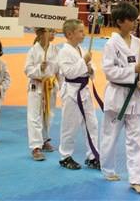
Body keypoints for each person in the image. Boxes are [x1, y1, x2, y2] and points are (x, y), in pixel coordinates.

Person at [99, 2, 140, 195]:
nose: (135, 22)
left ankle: (137, 179)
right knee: (110, 136)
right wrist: (132, 71)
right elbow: (109, 71)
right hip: (117, 96)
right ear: (120, 22)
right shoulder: (111, 44)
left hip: (136, 97)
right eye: (132, 19)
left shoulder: (139, 44)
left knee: (136, 140)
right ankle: (107, 168)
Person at [57, 19, 100, 170]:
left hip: (84, 91)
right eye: (80, 31)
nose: (84, 34)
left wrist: (90, 67)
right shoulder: (63, 52)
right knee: (70, 126)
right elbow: (69, 72)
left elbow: (90, 68)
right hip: (71, 92)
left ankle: (93, 155)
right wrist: (84, 62)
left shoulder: (81, 49)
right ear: (70, 34)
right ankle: (65, 156)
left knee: (92, 124)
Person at [25, 28, 59, 161]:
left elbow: (59, 70)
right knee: (34, 116)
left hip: (50, 86)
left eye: (54, 31)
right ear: (40, 34)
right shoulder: (33, 50)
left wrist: (61, 86)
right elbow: (27, 70)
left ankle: (44, 139)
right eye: (49, 31)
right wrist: (40, 68)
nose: (53, 34)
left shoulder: (55, 49)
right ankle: (35, 147)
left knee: (48, 114)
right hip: (37, 86)